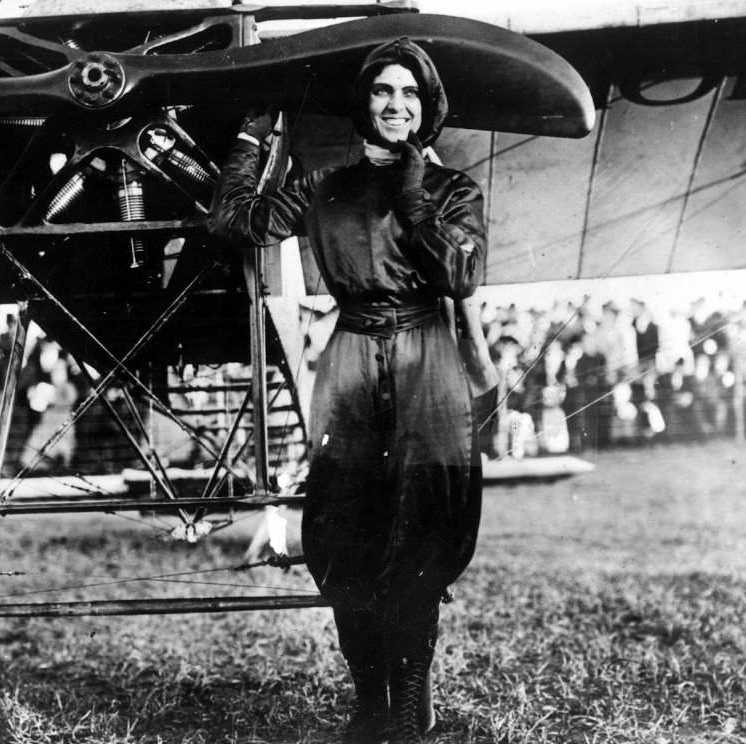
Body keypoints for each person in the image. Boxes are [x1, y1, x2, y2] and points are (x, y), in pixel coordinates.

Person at [209, 38, 489, 744]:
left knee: (422, 539)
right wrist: (251, 132)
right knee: (345, 539)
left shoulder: (455, 190)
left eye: (410, 96)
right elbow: (233, 222)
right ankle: (370, 705)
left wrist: (416, 193)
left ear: (426, 109)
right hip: (352, 363)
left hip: (429, 366)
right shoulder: (323, 186)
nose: (396, 106)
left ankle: (407, 708)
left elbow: (458, 277)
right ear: (363, 103)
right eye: (383, 92)